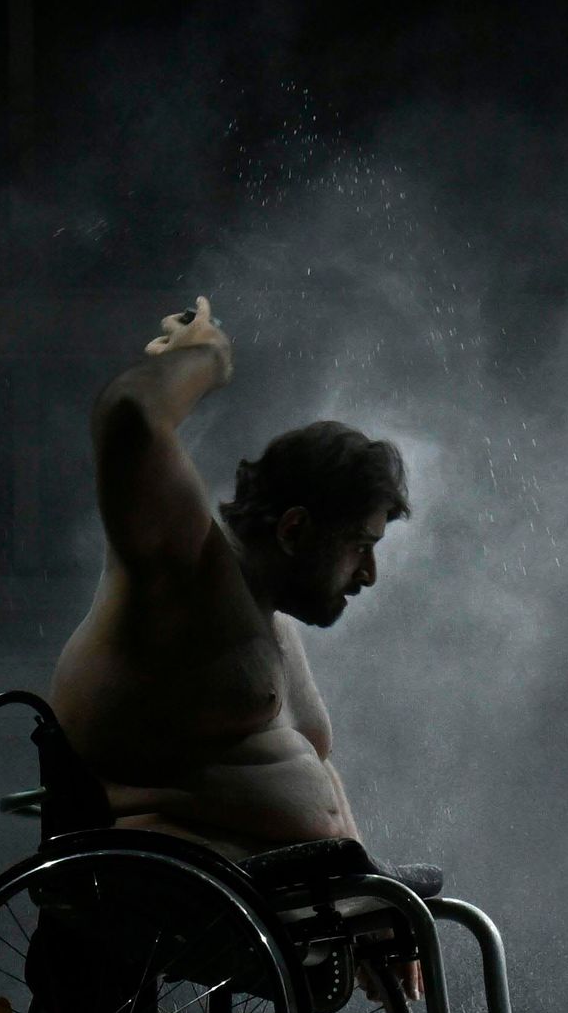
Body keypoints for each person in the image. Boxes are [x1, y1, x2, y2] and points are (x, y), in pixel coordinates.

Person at [49, 298, 412, 861]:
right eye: (359, 547)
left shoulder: (268, 618)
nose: (368, 573)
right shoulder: (188, 572)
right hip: (178, 911)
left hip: (293, 909)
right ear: (294, 529)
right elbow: (129, 415)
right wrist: (206, 356)